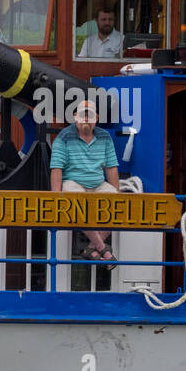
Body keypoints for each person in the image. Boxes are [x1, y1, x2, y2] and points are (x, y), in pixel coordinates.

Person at [50, 100, 119, 263]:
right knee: (78, 202)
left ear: (97, 118)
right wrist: (54, 197)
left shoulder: (105, 136)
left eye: (90, 115)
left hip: (97, 184)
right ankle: (102, 248)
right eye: (82, 115)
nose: (86, 119)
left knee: (117, 205)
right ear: (76, 117)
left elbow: (111, 168)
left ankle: (91, 248)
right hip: (73, 183)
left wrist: (118, 195)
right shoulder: (64, 136)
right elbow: (56, 168)